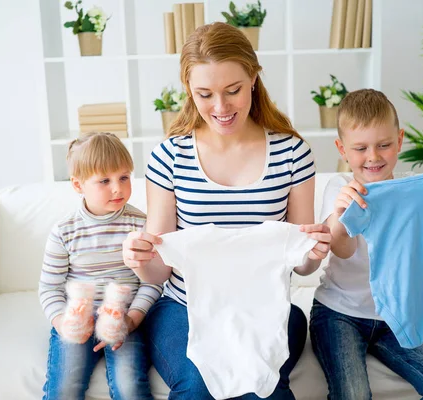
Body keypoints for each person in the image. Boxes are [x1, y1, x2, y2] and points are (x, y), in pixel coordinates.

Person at [122, 22, 332, 400]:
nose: (220, 108)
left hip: (266, 311)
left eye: (233, 90)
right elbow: (159, 270)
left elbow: (302, 263)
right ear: (189, 89)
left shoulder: (292, 153)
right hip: (183, 309)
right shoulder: (170, 156)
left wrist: (313, 253)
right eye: (205, 94)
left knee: (264, 388)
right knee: (199, 386)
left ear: (253, 77)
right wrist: (140, 258)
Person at [310, 89, 423, 399]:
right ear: (343, 150)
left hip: (399, 314)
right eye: (360, 148)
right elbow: (343, 249)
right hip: (339, 313)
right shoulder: (340, 188)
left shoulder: (413, 191)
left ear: (400, 140)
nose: (373, 157)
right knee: (353, 394)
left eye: (384, 145)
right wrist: (339, 215)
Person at [39, 132, 162, 400]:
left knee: (130, 388)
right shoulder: (64, 231)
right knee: (63, 389)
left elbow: (153, 282)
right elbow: (49, 288)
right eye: (104, 181)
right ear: (78, 185)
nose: (117, 188)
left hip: (123, 317)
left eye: (124, 177)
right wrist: (63, 323)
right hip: (76, 318)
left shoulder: (140, 225)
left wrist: (132, 320)